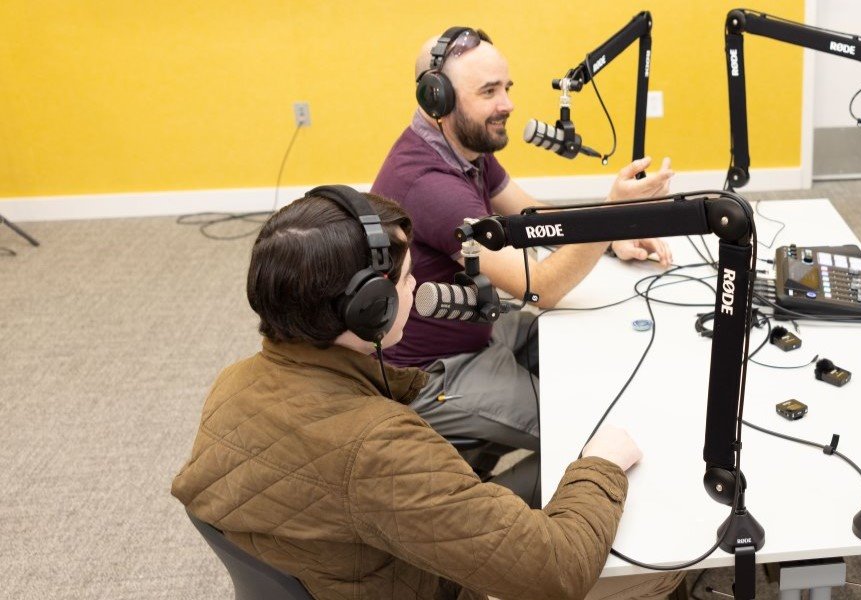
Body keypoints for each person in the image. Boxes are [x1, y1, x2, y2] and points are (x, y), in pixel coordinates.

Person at [172, 187, 682, 600]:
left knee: (548, 472)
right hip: (422, 579)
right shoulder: (377, 445)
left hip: (355, 559)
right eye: (408, 278)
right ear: (369, 308)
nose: (416, 288)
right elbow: (557, 571)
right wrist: (602, 466)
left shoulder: (234, 380)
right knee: (662, 557)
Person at [370, 26, 676, 493]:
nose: (507, 104)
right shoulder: (430, 185)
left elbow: (533, 217)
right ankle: (494, 513)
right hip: (438, 371)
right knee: (585, 439)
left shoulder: (463, 145)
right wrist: (612, 218)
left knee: (598, 341)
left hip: (480, 327)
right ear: (438, 100)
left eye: (506, 88)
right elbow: (542, 287)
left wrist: (608, 236)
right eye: (489, 91)